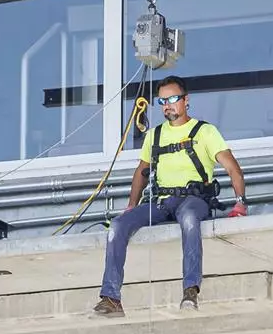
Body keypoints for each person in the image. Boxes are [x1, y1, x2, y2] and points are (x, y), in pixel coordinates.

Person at [92, 77, 248, 316]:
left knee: (188, 218)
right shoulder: (154, 136)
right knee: (117, 225)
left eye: (173, 99)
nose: (167, 105)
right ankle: (111, 298)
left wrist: (240, 203)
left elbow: (232, 167)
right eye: (162, 100)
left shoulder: (204, 131)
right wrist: (131, 206)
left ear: (186, 101)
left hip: (195, 200)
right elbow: (141, 172)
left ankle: (190, 290)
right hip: (163, 202)